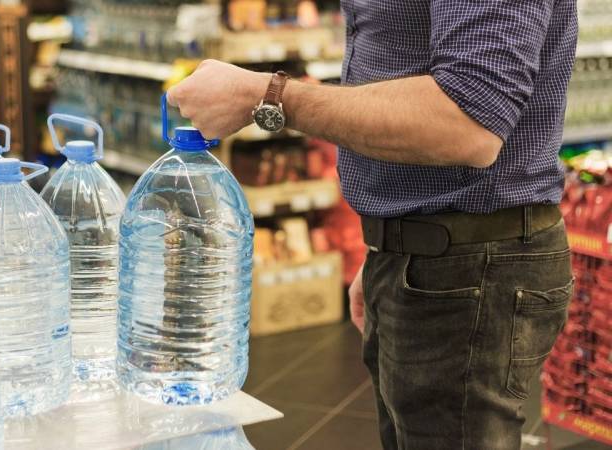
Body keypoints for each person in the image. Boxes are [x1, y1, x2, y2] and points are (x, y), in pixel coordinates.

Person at [166, 1, 578, 449]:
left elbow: (467, 122)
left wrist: (269, 96)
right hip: (430, 252)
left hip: (469, 266)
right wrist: (392, 238)